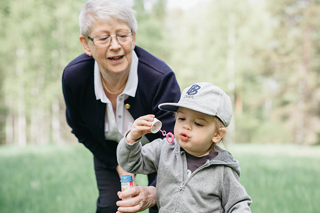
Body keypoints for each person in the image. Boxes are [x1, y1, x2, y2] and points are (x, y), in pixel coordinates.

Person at [62, 0, 181, 212]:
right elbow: (79, 128)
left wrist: (154, 191)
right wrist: (117, 162)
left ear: (133, 38)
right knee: (110, 206)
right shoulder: (75, 78)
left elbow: (173, 144)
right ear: (86, 44)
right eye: (103, 37)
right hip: (108, 150)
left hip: (161, 153)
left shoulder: (159, 79)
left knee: (165, 205)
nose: (115, 45)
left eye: (123, 35)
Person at [117, 82, 252, 212]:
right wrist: (132, 139)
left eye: (198, 123)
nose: (186, 126)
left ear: (217, 134)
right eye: (181, 118)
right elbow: (131, 163)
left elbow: (238, 204)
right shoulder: (164, 149)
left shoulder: (223, 168)